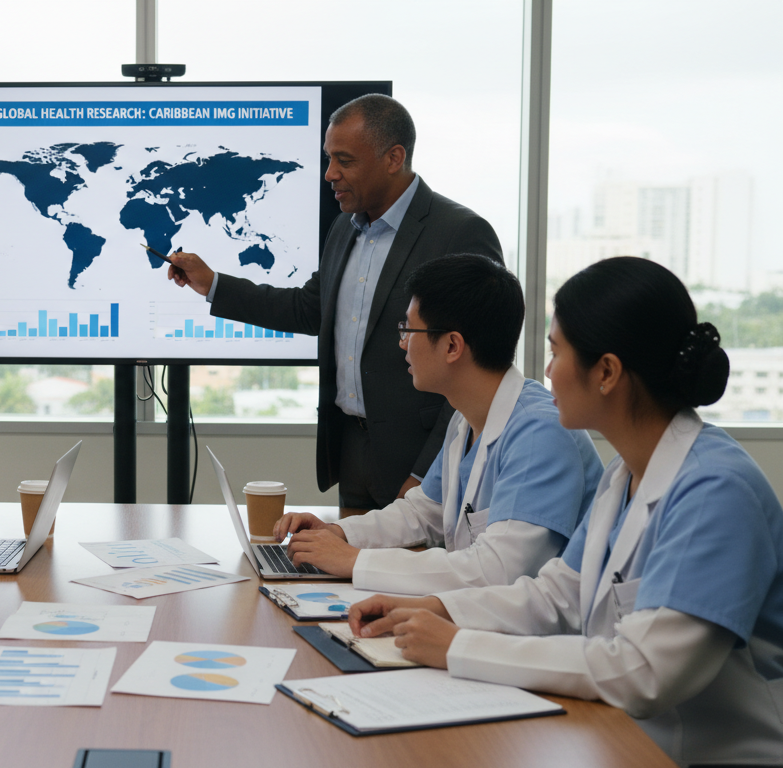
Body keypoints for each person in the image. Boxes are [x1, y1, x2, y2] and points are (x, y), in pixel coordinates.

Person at [347, 257, 783, 766]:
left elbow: (643, 671)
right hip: (620, 737)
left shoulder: (716, 491)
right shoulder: (625, 473)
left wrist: (458, 645)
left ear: (606, 372)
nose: (547, 370)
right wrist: (441, 610)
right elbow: (558, 596)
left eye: (556, 352)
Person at [167, 93, 504, 514]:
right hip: (351, 452)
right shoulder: (345, 228)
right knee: (348, 576)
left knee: (412, 579)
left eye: (344, 161)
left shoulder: (459, 233)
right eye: (329, 159)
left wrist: (426, 471)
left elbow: (477, 369)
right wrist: (213, 283)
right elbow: (309, 308)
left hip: (420, 465)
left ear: (393, 157)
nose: (330, 174)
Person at [273, 254, 604, 594]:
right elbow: (424, 512)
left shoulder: (540, 433)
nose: (402, 342)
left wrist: (354, 560)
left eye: (408, 329)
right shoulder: (467, 417)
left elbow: (498, 570)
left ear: (451, 345)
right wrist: (338, 534)